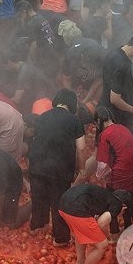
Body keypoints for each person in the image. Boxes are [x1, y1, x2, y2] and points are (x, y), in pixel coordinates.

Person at [27, 89, 85, 246]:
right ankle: (60, 239)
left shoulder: (42, 117)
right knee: (59, 202)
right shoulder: (74, 120)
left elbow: (35, 138)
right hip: (60, 168)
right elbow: (81, 148)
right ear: (72, 104)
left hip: (37, 164)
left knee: (39, 197)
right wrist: (82, 169)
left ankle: (37, 227)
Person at [57, 184, 129, 264]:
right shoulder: (117, 205)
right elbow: (101, 223)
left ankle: (80, 263)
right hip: (76, 208)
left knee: (81, 231)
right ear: (124, 207)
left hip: (63, 205)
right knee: (102, 245)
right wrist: (107, 237)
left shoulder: (105, 196)